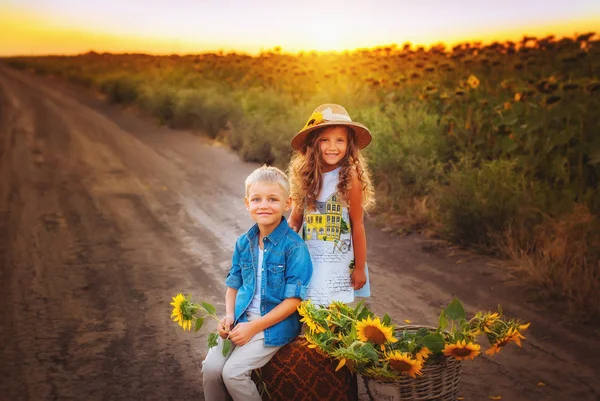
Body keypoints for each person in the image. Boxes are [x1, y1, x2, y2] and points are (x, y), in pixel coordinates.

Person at [202, 166, 313, 401]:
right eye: (257, 199)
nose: (264, 205)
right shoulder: (244, 243)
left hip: (274, 326)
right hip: (241, 321)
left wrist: (254, 327)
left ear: (287, 203)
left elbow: (294, 301)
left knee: (233, 373)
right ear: (247, 203)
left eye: (272, 199)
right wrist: (230, 316)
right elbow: (234, 285)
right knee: (211, 369)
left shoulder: (294, 247)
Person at [288, 103, 375, 305]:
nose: (332, 147)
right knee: (308, 307)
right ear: (313, 143)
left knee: (334, 312)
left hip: (339, 261)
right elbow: (295, 219)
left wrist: (360, 268)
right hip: (311, 257)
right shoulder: (305, 176)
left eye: (340, 140)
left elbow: (357, 225)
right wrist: (284, 245)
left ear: (349, 144)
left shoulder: (350, 177)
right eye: (324, 140)